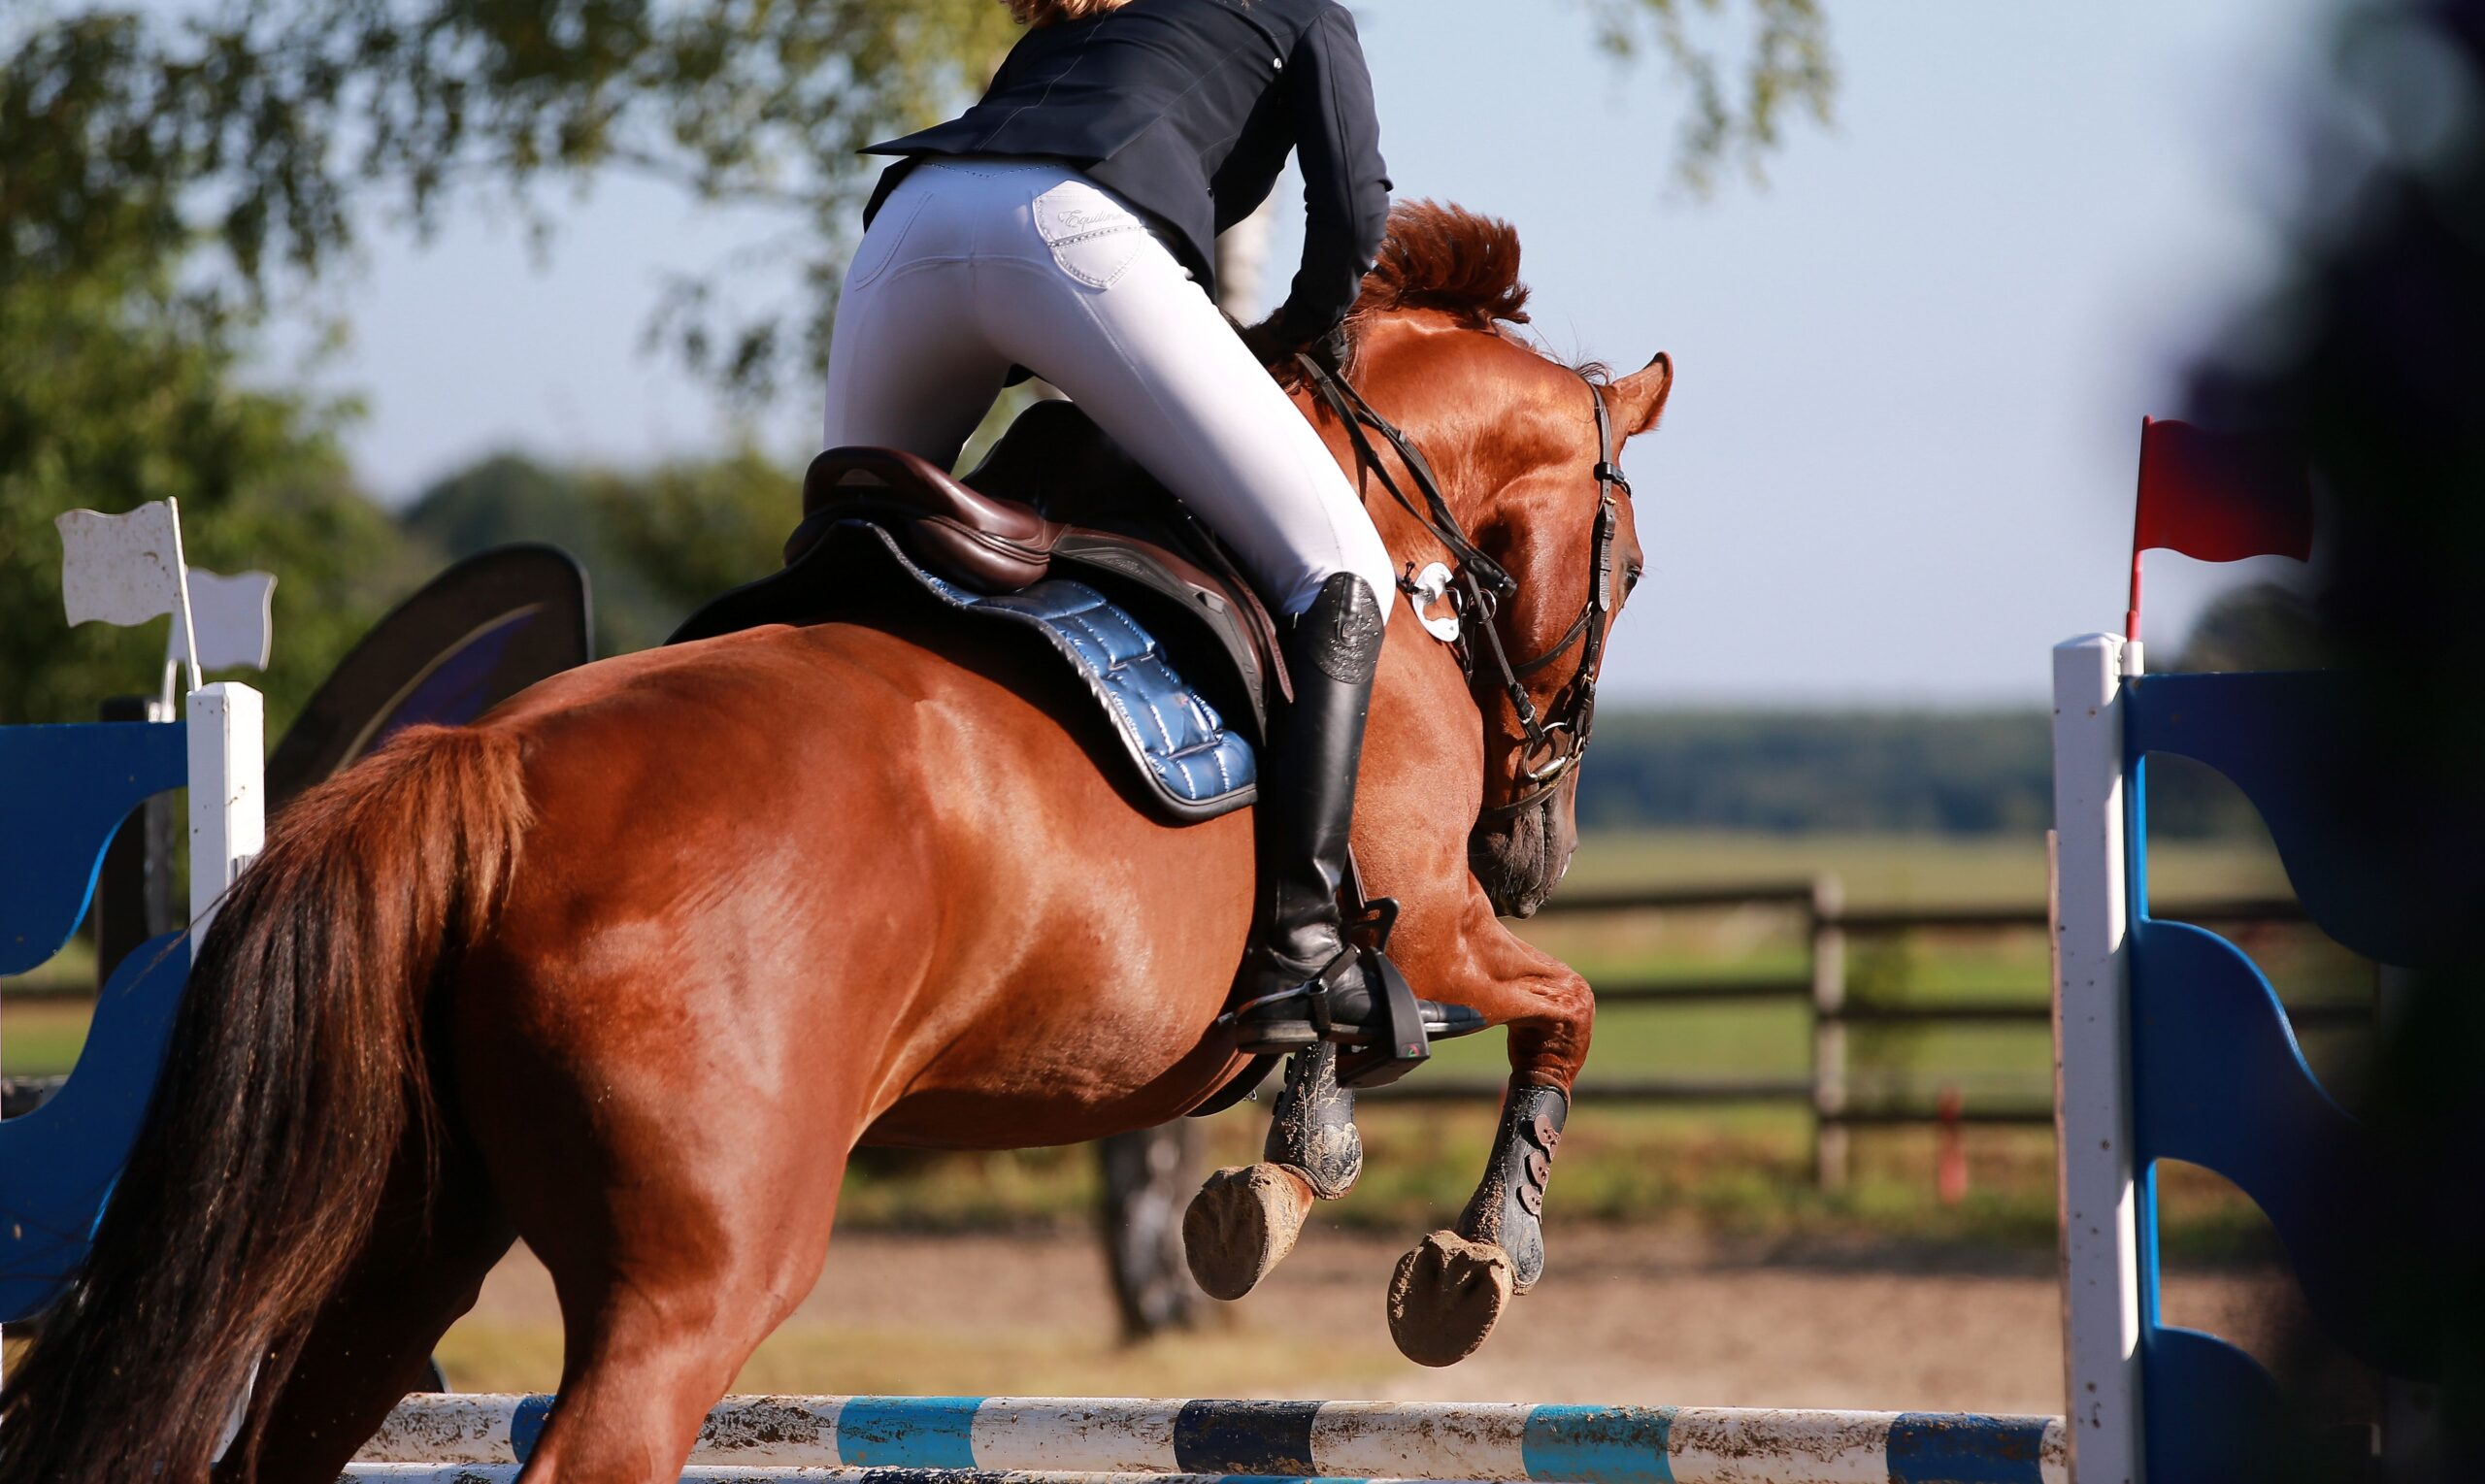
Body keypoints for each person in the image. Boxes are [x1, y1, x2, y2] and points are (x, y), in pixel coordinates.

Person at [825, 0, 1453, 1055]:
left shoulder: (1078, 25)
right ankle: (1300, 952)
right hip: (1076, 231)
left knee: (842, 556)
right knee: (1343, 567)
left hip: (911, 224)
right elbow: (1352, 214)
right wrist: (1287, 337)